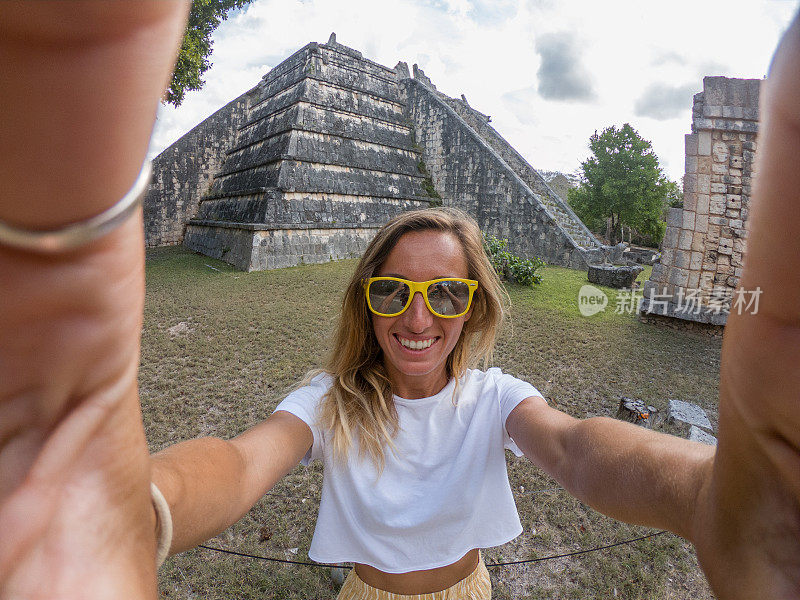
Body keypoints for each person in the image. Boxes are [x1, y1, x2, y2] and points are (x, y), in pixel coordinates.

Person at [1, 2, 799, 599]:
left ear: (474, 308)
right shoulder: (331, 403)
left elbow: (579, 448)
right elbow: (245, 461)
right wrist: (147, 509)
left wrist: (703, 494)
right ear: (367, 302)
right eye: (394, 291)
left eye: (447, 293)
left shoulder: (495, 400)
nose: (419, 318)